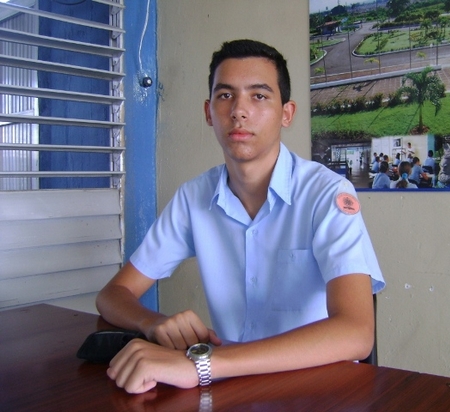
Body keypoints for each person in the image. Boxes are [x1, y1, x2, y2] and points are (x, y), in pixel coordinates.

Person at [96, 39, 385, 394]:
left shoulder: (326, 194)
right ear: (208, 112)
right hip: (233, 388)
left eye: (259, 96)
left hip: (315, 390)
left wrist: (202, 365)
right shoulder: (194, 197)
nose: (239, 111)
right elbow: (113, 294)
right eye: (225, 96)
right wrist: (154, 324)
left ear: (287, 113)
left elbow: (357, 333)